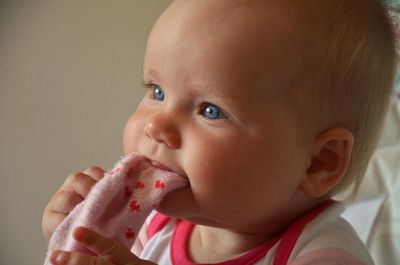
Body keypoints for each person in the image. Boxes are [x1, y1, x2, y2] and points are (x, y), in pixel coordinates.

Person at [41, 0, 397, 264]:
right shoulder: (154, 225)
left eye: (210, 111)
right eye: (156, 91)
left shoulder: (323, 256)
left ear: (318, 162)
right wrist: (82, 237)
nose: (156, 126)